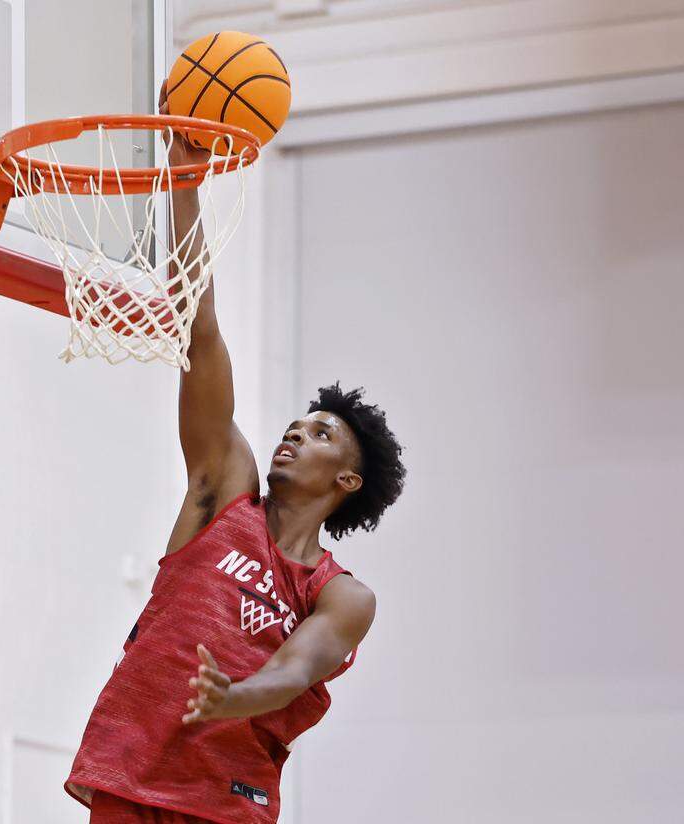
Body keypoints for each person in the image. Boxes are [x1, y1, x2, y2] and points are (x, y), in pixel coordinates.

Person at [64, 85, 407, 824]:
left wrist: (232, 697)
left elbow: (295, 669)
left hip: (226, 800)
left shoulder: (342, 595)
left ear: (347, 480)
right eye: (296, 422)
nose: (293, 433)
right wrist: (185, 179)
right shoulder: (224, 490)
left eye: (320, 434)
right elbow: (201, 329)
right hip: (132, 771)